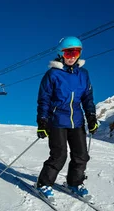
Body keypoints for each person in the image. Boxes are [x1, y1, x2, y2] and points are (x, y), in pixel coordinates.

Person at [35, 36, 99, 199]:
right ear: (61, 53)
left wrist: (91, 117)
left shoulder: (83, 74)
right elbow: (44, 99)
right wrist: (42, 121)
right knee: (59, 155)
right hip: (57, 121)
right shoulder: (53, 74)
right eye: (68, 52)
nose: (72, 56)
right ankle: (43, 183)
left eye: (76, 52)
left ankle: (74, 182)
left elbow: (87, 97)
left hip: (77, 121)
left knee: (81, 155)